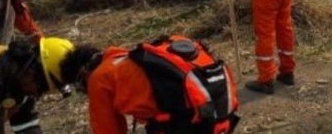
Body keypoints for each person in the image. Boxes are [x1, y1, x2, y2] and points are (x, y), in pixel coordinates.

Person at [59, 34, 240, 134]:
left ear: (83, 72)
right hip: (222, 114)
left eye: (82, 87)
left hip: (189, 126)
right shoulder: (141, 58)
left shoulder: (100, 78)